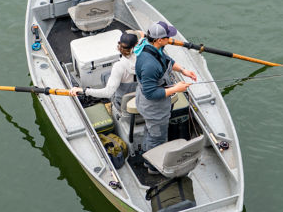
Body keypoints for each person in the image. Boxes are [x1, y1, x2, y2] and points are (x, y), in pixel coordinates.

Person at [134, 21, 197, 170]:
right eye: (167, 37)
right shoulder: (149, 65)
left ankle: (146, 149)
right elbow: (150, 93)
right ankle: (152, 166)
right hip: (153, 108)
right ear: (159, 40)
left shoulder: (151, 46)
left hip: (152, 104)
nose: (170, 39)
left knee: (151, 131)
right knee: (157, 137)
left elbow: (166, 60)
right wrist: (177, 88)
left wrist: (183, 70)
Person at [69, 31, 143, 112]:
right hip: (142, 98)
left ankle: (111, 104)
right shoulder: (146, 58)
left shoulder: (118, 66)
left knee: (105, 75)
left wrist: (84, 91)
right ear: (136, 45)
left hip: (123, 104)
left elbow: (107, 93)